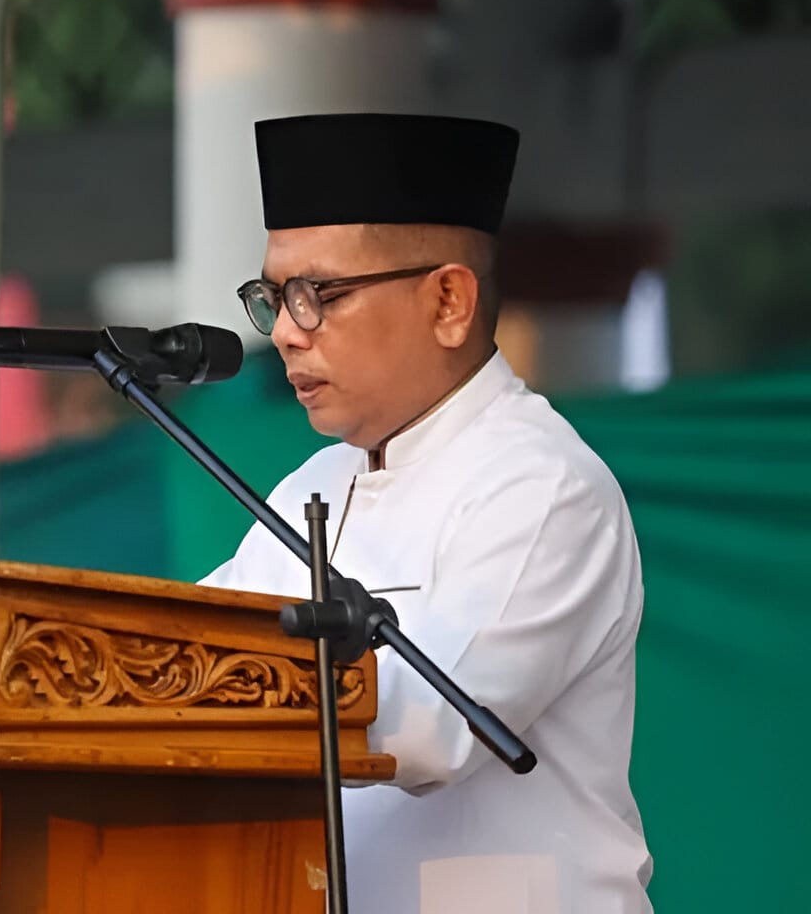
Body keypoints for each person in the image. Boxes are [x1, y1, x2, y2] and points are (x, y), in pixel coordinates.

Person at [201, 114, 652, 913]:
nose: (282, 332)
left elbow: (432, 728)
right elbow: (181, 649)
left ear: (448, 300)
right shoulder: (308, 488)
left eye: (316, 295)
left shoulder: (542, 486)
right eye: (272, 297)